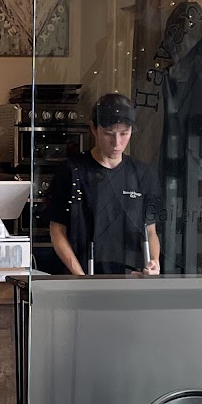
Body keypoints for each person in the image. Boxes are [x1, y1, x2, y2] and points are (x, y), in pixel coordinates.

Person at [46, 92, 162, 276]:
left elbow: (150, 231)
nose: (117, 143)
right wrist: (80, 277)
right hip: (83, 274)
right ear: (93, 128)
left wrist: (154, 262)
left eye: (124, 133)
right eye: (108, 133)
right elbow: (57, 230)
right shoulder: (72, 171)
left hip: (130, 277)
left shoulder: (142, 174)